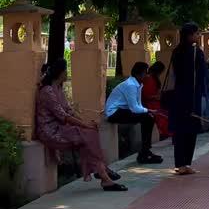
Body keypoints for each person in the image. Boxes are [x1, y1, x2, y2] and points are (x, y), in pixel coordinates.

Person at [38, 60, 127, 191]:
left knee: (90, 133)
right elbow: (64, 115)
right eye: (65, 70)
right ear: (60, 72)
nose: (67, 73)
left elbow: (69, 111)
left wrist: (86, 123)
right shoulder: (47, 91)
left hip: (62, 128)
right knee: (88, 134)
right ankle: (103, 171)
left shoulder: (58, 88)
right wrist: (85, 125)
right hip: (50, 131)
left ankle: (102, 173)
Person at [165, 23, 208, 175]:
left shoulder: (176, 51)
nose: (198, 36)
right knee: (190, 130)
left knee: (180, 131)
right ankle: (185, 163)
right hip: (192, 96)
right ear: (189, 35)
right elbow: (202, 74)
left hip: (179, 95)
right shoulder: (197, 52)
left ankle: (181, 164)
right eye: (197, 34)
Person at [105, 61, 162, 165]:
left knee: (149, 117)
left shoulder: (138, 85)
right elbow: (135, 108)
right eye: (145, 73)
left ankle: (145, 151)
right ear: (138, 73)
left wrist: (148, 111)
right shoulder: (130, 85)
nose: (146, 75)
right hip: (114, 113)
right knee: (147, 118)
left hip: (123, 110)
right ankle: (144, 153)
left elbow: (138, 105)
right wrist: (148, 110)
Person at [140, 61, 169, 139]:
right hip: (150, 105)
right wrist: (156, 96)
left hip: (155, 103)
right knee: (163, 118)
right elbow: (146, 95)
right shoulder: (149, 79)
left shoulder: (152, 78)